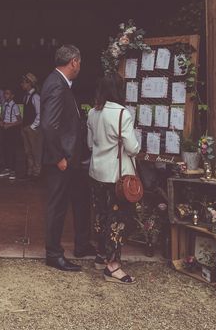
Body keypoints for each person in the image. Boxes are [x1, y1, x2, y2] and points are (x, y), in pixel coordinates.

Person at [41, 44, 93, 272]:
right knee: (57, 206)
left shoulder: (63, 84)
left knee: (81, 200)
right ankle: (53, 254)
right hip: (62, 160)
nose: (80, 66)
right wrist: (58, 157)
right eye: (79, 62)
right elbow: (49, 125)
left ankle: (82, 245)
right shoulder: (56, 85)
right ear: (73, 62)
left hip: (74, 159)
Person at [87, 72, 141, 284]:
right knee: (117, 221)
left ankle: (101, 256)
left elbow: (90, 144)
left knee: (101, 216)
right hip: (116, 176)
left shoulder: (93, 112)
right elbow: (132, 147)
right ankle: (113, 267)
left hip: (96, 172)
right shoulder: (122, 114)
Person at [20, 73, 43, 180]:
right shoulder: (26, 96)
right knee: (27, 151)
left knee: (35, 150)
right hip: (25, 127)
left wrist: (32, 126)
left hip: (32, 128)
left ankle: (36, 172)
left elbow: (40, 113)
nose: (21, 84)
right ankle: (30, 171)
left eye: (24, 82)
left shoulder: (36, 96)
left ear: (29, 83)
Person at [0, 88, 22, 179]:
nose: (5, 95)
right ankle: (7, 168)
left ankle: (13, 170)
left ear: (12, 96)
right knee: (5, 149)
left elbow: (20, 121)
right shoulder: (4, 104)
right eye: (5, 93)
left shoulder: (14, 106)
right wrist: (1, 121)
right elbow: (3, 116)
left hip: (12, 129)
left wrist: (10, 125)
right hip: (5, 129)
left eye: (7, 93)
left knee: (12, 149)